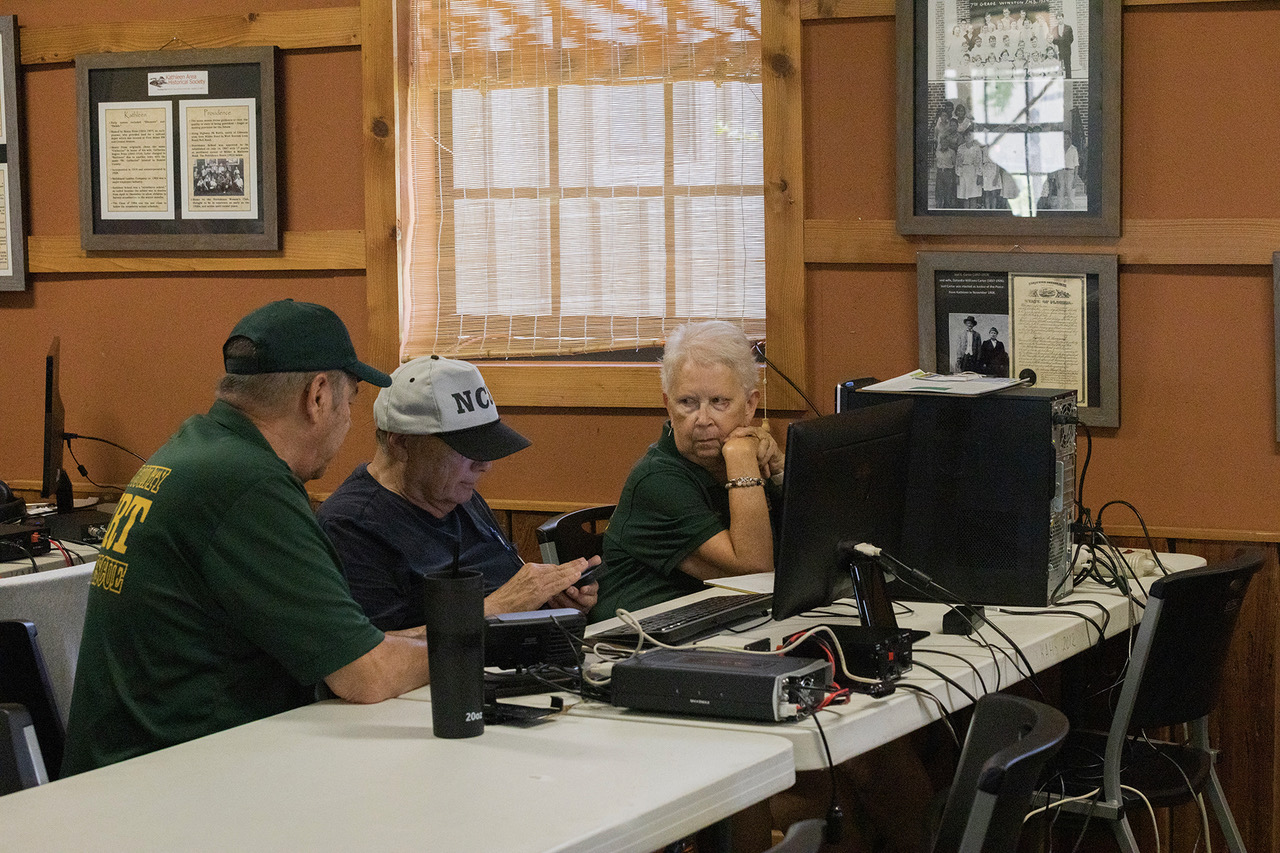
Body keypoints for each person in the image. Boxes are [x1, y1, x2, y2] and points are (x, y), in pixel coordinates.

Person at [62, 300, 430, 776]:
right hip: (172, 784)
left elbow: (350, 647)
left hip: (134, 767)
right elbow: (368, 675)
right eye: (352, 401)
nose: (350, 422)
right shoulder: (249, 485)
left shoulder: (196, 451)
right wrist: (476, 648)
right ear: (318, 395)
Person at [318, 355, 599, 633]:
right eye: (467, 450)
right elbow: (371, 656)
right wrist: (501, 607)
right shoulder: (351, 526)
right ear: (402, 444)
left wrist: (555, 603)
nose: (485, 465)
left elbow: (510, 596)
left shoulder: (454, 494)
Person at [590, 321, 783, 622]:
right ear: (668, 405)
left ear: (749, 405)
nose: (702, 419)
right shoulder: (656, 480)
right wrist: (741, 456)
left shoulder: (742, 456)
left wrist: (780, 470)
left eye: (719, 402)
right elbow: (754, 572)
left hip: (715, 624)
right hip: (632, 642)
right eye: (687, 403)